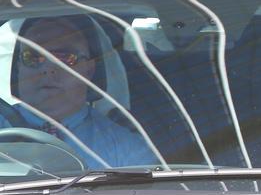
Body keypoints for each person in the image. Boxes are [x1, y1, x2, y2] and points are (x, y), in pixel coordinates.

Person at [0, 15, 156, 169]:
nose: (47, 69)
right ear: (18, 68)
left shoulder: (128, 150)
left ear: (89, 69)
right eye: (32, 57)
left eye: (65, 58)